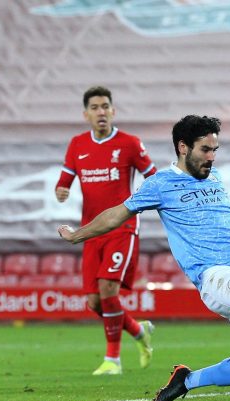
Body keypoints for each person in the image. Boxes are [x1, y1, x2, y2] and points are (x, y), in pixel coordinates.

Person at [57, 115, 230, 401]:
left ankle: (187, 379)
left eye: (214, 150)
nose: (211, 157)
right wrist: (78, 235)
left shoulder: (215, 177)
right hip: (214, 274)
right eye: (205, 150)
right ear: (183, 148)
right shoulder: (160, 184)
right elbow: (118, 214)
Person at [55, 86, 156, 375]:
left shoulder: (129, 143)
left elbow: (153, 177)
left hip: (122, 228)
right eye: (95, 107)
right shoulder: (77, 145)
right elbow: (65, 179)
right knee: (95, 302)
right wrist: (61, 189)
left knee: (108, 289)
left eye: (106, 106)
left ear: (113, 111)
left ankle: (113, 360)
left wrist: (141, 205)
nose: (101, 112)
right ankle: (139, 332)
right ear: (86, 114)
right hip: (91, 231)